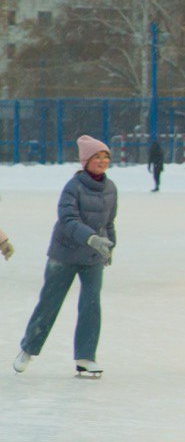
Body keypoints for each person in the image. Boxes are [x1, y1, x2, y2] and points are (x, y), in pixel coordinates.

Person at [13, 135, 117, 378]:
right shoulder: (73, 187)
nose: (103, 161)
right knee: (50, 303)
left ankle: (85, 357)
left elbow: (109, 223)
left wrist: (110, 247)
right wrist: (92, 238)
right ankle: (28, 349)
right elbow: (68, 220)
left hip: (93, 256)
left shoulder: (111, 188)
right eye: (98, 157)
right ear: (86, 161)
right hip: (65, 254)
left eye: (106, 157)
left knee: (91, 305)